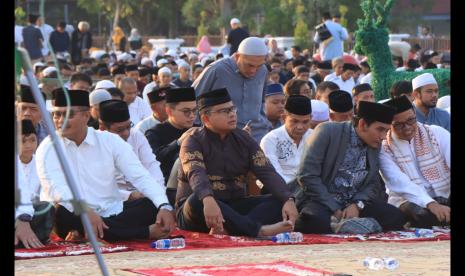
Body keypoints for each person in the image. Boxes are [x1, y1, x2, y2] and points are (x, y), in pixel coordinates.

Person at [36, 89, 175, 242]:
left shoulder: (109, 141)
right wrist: (86, 212)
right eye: (57, 114)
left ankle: (88, 233)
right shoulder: (48, 147)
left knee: (154, 204)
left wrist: (164, 206)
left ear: (86, 115)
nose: (60, 120)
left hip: (112, 210)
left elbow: (140, 176)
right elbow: (56, 188)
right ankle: (143, 233)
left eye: (67, 114)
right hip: (73, 213)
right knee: (60, 211)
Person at [176, 88, 298, 236]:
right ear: (205, 119)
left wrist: (288, 198)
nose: (232, 114)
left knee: (278, 201)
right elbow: (196, 174)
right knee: (196, 200)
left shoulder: (244, 138)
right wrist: (208, 199)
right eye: (224, 111)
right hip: (200, 209)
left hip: (233, 207)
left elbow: (266, 171)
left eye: (232, 109)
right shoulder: (192, 140)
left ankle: (231, 230)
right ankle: (258, 230)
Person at [292, 101, 406, 233]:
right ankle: (349, 225)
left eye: (386, 131)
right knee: (315, 222)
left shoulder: (374, 142)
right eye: (380, 129)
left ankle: (344, 225)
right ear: (363, 124)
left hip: (353, 204)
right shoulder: (328, 131)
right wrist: (334, 208)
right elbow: (307, 175)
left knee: (395, 216)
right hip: (320, 200)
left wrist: (357, 205)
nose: (383, 137)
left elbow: (372, 183)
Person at [380, 96, 450, 228]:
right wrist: (431, 204)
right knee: (422, 215)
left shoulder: (436, 133)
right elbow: (399, 182)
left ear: (415, 114)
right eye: (398, 125)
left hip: (444, 193)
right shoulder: (384, 148)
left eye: (411, 120)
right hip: (407, 199)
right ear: (389, 125)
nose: (407, 128)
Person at [193, 37, 271, 142]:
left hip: (257, 136)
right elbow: (192, 101)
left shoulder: (263, 71)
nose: (254, 71)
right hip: (221, 139)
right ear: (238, 56)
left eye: (259, 66)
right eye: (250, 65)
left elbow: (261, 101)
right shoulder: (217, 70)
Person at [98, 99, 167, 203]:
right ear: (103, 128)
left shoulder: (136, 135)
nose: (126, 133)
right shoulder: (94, 145)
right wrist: (129, 196)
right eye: (119, 130)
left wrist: (159, 193)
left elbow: (151, 165)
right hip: (114, 200)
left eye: (128, 126)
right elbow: (97, 187)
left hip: (143, 193)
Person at [15, 120, 55, 248]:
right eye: (23, 141)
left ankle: (34, 238)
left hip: (33, 211)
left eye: (32, 140)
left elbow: (46, 191)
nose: (28, 145)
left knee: (46, 207)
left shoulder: (41, 161)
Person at [145, 87, 197, 183]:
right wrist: (178, 143)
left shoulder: (198, 130)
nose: (192, 115)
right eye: (186, 111)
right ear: (169, 111)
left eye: (194, 110)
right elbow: (154, 160)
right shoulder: (154, 133)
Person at [260, 95, 313, 183]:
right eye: (294, 121)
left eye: (305, 122)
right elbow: (274, 175)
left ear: (311, 119)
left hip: (310, 189)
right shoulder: (270, 140)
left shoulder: (314, 136)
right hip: (280, 190)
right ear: (284, 118)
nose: (300, 127)